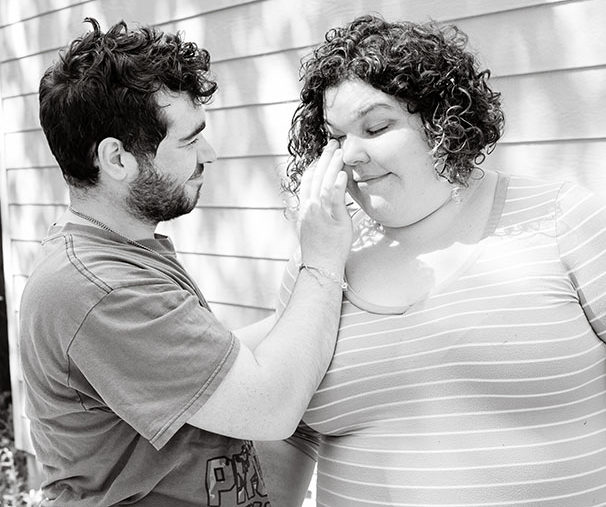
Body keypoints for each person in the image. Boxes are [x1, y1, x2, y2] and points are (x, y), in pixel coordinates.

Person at [256, 14, 606, 506]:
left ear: (445, 122)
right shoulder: (320, 258)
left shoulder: (562, 220)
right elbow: (288, 430)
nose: (349, 155)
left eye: (375, 127)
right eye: (335, 138)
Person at [19, 17, 353, 506]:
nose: (210, 154)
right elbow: (270, 407)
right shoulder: (97, 287)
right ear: (116, 159)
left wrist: (328, 307)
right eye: (189, 140)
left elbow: (210, 363)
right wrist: (322, 265)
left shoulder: (124, 253)